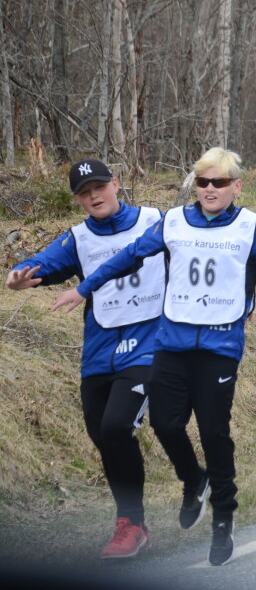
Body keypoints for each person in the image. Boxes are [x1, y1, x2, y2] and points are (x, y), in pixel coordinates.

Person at [52, 148, 256, 566]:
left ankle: (223, 515)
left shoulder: (251, 227)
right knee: (165, 423)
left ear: (236, 186)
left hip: (219, 348)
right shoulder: (172, 222)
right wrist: (83, 289)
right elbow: (126, 259)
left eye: (220, 182)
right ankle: (194, 480)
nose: (210, 189)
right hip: (171, 345)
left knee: (213, 432)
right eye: (204, 182)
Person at [6, 159, 164, 559]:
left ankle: (128, 521)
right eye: (83, 192)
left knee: (115, 426)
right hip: (99, 351)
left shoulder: (155, 220)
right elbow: (45, 261)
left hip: (150, 343)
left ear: (115, 184)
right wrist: (20, 272)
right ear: (77, 199)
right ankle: (137, 525)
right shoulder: (78, 237)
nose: (94, 196)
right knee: (103, 435)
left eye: (99, 187)